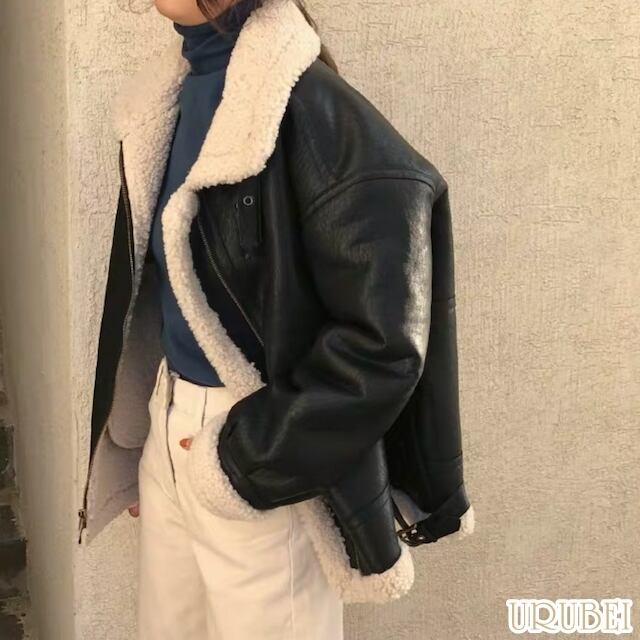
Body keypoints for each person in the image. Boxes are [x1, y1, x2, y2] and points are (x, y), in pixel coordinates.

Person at [78, 0, 474, 637]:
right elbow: (162, 295)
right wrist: (156, 448)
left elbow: (383, 345)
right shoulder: (167, 98)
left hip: (257, 457)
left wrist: (242, 463)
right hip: (172, 434)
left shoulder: (314, 110)